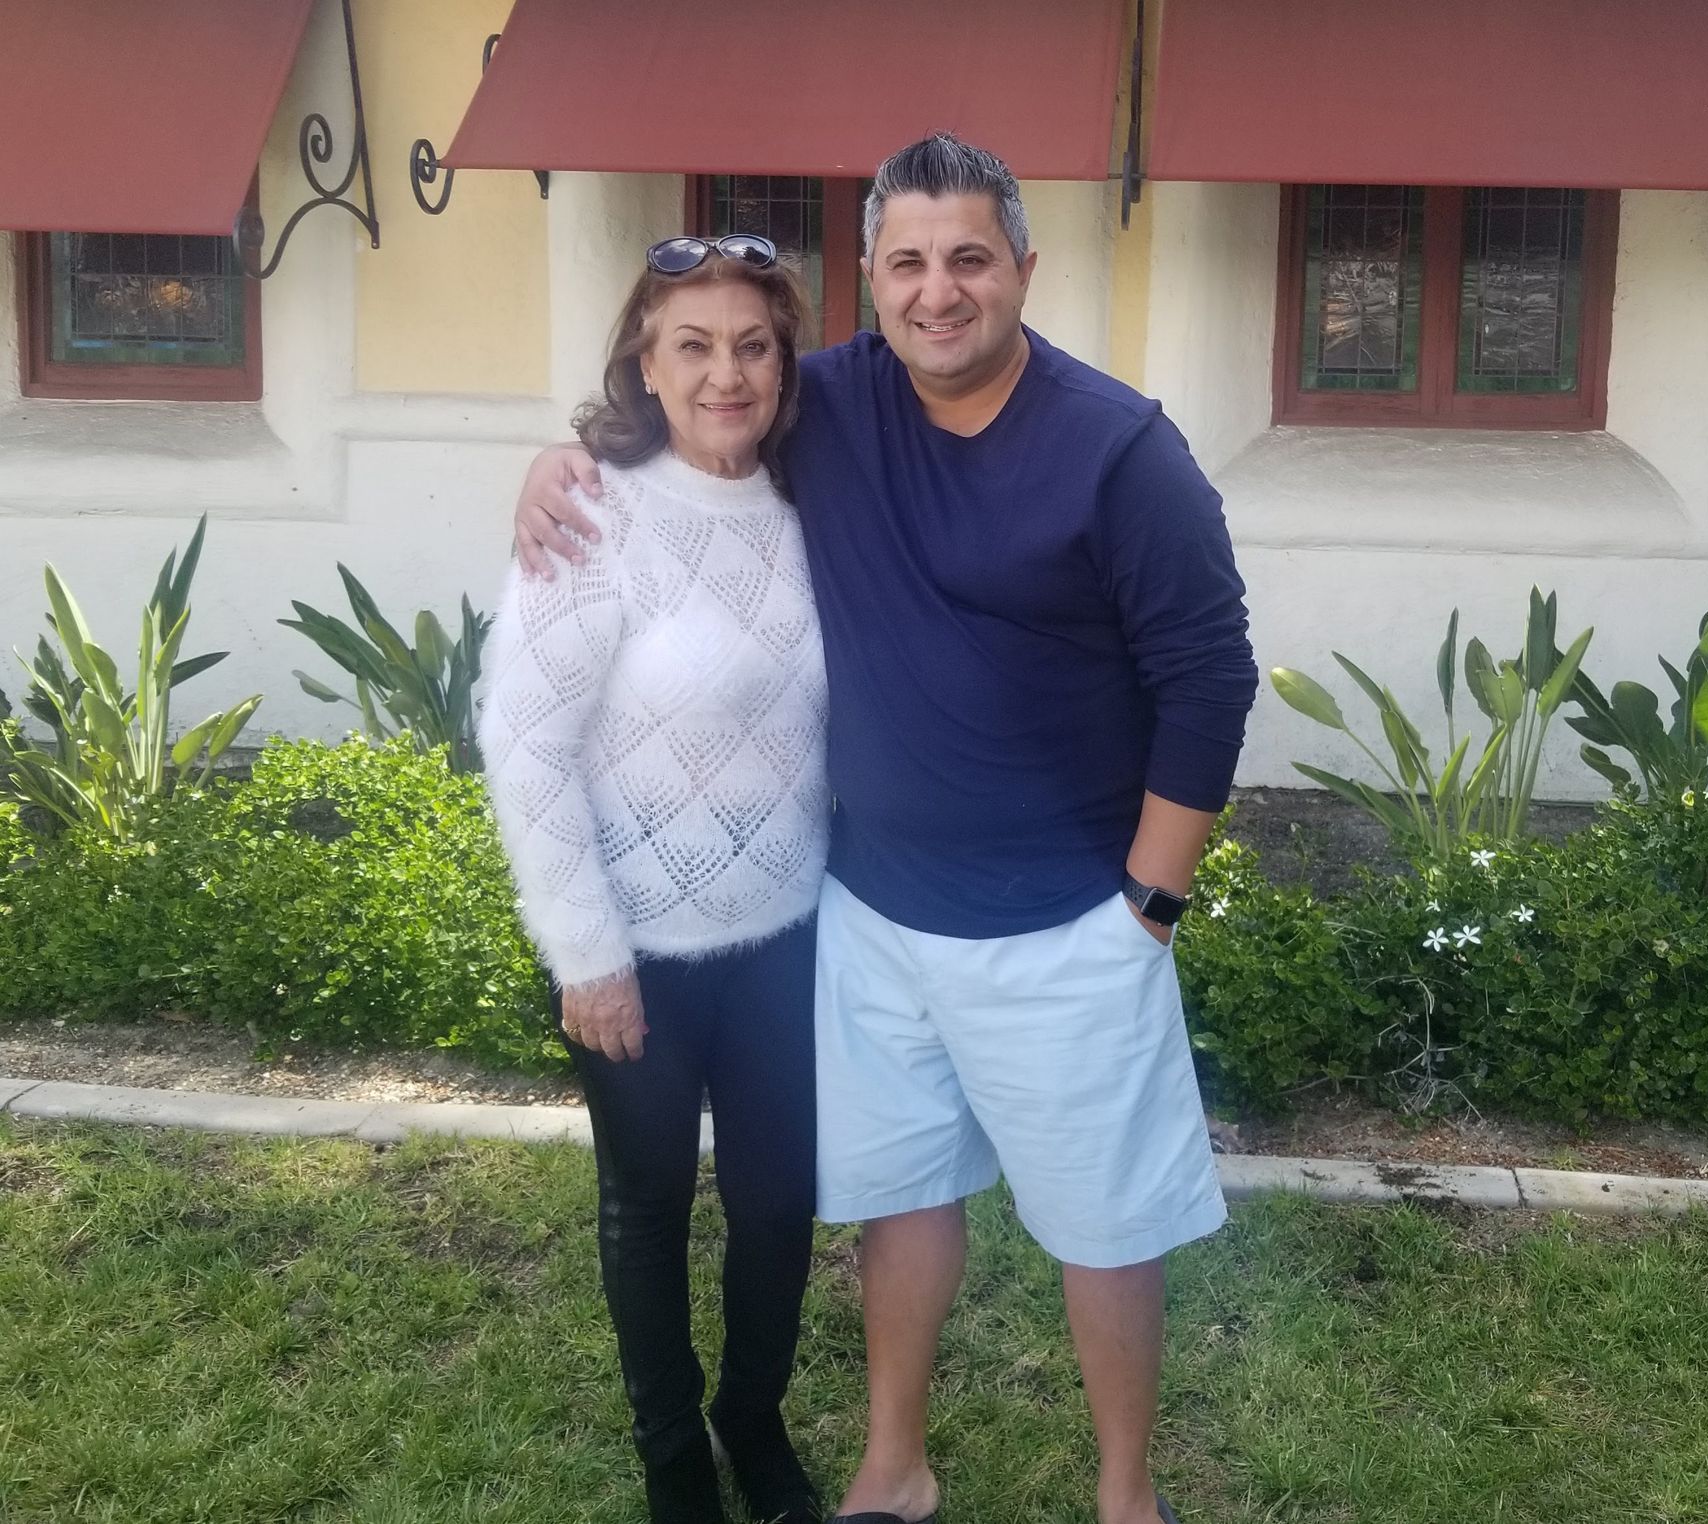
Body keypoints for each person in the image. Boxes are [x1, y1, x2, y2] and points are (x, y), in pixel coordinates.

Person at [512, 135, 1258, 1524]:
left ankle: (1125, 1496)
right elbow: (692, 408)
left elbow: (1209, 678)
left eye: (969, 257)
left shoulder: (1121, 452)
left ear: (1022, 267)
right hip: (872, 918)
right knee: (903, 1196)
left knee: (1106, 1222)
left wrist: (1150, 907)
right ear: (870, 279)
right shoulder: (834, 402)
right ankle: (894, 1465)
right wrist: (563, 463)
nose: (937, 290)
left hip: (1064, 927)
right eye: (906, 262)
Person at [480, 233, 829, 1524]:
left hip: (788, 937)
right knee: (649, 1203)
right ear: (645, 359)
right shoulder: (596, 515)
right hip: (635, 949)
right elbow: (526, 744)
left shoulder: (814, 503)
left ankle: (752, 1416)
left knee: (780, 1204)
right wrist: (587, 955)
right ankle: (674, 1455)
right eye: (694, 345)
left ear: (784, 365)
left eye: (753, 346)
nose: (725, 374)